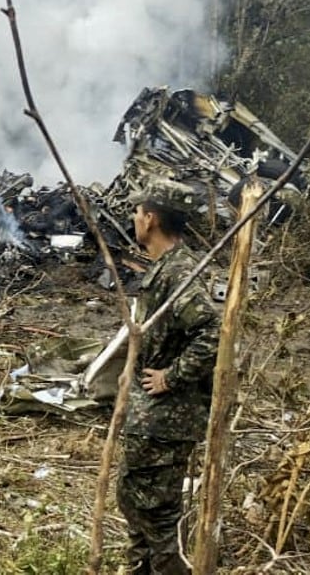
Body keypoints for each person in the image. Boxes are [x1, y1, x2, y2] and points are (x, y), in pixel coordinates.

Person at [118, 180, 218, 575]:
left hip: (167, 418)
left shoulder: (179, 272)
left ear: (151, 218)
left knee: (157, 513)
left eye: (137, 211)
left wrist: (171, 377)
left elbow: (212, 332)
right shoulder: (165, 268)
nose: (133, 218)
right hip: (152, 417)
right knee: (134, 499)